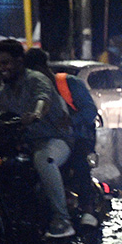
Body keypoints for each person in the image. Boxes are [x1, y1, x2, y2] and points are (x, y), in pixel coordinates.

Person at [0, 39, 75, 238]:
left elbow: (42, 99)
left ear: (19, 62)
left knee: (44, 159)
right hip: (26, 144)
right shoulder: (4, 91)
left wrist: (36, 114)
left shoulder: (36, 79)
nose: (2, 68)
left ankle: (62, 219)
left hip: (54, 139)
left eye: (6, 63)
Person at [24, 48, 98, 199]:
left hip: (78, 137)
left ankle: (87, 207)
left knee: (79, 164)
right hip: (48, 139)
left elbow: (90, 110)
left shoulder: (69, 83)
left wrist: (71, 120)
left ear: (41, 69)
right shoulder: (32, 90)